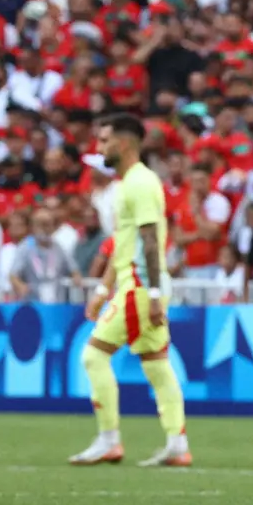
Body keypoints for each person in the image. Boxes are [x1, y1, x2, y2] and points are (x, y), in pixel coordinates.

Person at [69, 115, 190, 468]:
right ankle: (177, 444)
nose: (100, 148)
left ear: (122, 145)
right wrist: (103, 288)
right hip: (135, 283)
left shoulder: (139, 184)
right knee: (157, 366)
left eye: (104, 141)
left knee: (93, 356)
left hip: (139, 286)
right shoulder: (130, 184)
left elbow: (151, 242)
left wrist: (152, 294)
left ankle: (109, 440)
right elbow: (124, 243)